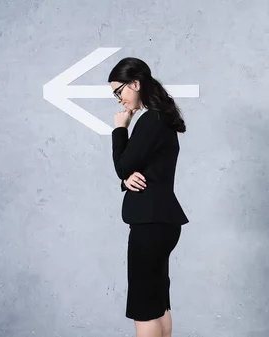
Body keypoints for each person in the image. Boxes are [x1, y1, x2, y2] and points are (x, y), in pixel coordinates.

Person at [108, 57, 189, 337]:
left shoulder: (150, 120)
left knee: (144, 307)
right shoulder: (160, 119)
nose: (119, 100)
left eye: (120, 91)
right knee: (157, 304)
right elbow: (133, 170)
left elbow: (123, 165)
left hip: (150, 223)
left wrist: (120, 128)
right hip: (162, 222)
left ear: (136, 83)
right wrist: (126, 180)